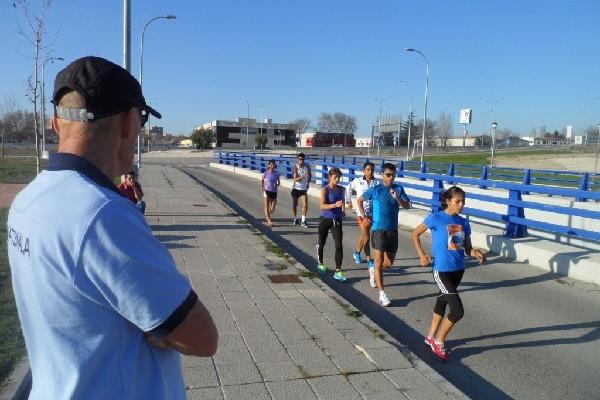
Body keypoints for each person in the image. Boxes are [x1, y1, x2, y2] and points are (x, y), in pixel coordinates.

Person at [7, 56, 218, 399]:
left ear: (55, 123)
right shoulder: (104, 216)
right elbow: (203, 338)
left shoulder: (28, 201)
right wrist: (156, 329)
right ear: (129, 123)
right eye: (143, 119)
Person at [411, 186, 486, 362]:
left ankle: (430, 337)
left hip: (458, 270)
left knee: (442, 301)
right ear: (448, 201)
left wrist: (476, 253)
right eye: (458, 201)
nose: (461, 205)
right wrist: (422, 255)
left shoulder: (463, 222)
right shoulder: (436, 218)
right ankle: (439, 341)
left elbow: (466, 248)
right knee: (458, 311)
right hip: (442, 271)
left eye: (463, 202)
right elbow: (415, 234)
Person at [357, 162, 410, 307]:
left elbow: (408, 205)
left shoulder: (399, 189)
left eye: (393, 175)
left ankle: (373, 270)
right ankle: (382, 294)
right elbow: (359, 200)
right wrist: (364, 216)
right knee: (379, 261)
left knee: (389, 263)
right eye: (388, 175)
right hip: (378, 229)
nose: (391, 178)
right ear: (382, 175)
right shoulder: (376, 189)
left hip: (392, 230)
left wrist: (397, 198)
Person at [345, 161, 379, 287]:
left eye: (372, 169)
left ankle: (357, 253)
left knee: (365, 236)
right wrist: (348, 201)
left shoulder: (377, 183)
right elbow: (348, 188)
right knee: (366, 235)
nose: (370, 172)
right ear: (364, 171)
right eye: (368, 169)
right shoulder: (358, 181)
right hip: (361, 213)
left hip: (373, 213)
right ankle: (369, 260)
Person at [315, 167, 347, 282]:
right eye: (335, 177)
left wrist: (343, 211)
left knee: (339, 245)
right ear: (330, 177)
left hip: (336, 220)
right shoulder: (325, 190)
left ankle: (338, 271)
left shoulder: (341, 189)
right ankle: (320, 264)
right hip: (325, 219)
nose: (337, 180)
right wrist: (334, 205)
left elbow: (342, 201)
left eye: (339, 177)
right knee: (322, 242)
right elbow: (322, 206)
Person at [291, 152, 311, 227]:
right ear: (298, 159)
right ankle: (295, 218)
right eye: (300, 159)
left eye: (303, 159)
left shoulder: (307, 166)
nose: (301, 161)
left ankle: (303, 221)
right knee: (294, 205)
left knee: (305, 204)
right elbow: (296, 179)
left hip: (303, 189)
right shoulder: (295, 167)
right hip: (296, 188)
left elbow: (310, 175)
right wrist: (302, 177)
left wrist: (308, 183)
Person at [261, 159, 280, 227]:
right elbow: (262, 180)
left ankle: (267, 214)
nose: (272, 165)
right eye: (271, 164)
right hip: (266, 190)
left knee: (272, 209)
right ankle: (269, 220)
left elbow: (279, 182)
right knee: (267, 206)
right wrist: (262, 186)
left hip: (274, 191)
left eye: (274, 164)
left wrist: (277, 185)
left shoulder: (277, 173)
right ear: (268, 165)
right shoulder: (266, 172)